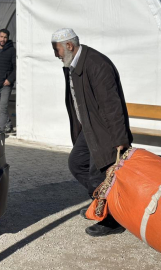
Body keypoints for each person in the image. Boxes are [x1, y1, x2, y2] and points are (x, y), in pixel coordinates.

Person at [51, 28, 133, 236]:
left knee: (98, 176)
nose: (56, 55)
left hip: (105, 133)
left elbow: (111, 105)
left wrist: (120, 138)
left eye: (57, 49)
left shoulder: (96, 65)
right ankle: (100, 203)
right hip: (89, 130)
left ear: (69, 46)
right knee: (77, 163)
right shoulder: (75, 65)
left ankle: (112, 220)